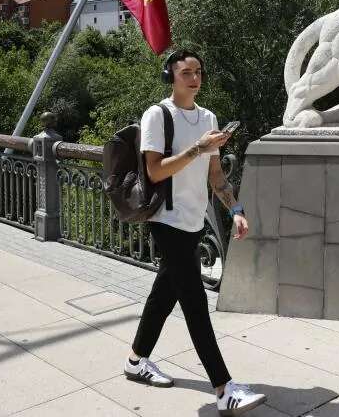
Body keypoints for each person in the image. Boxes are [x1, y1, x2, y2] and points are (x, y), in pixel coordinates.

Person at [123, 49, 267, 416]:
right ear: (170, 76)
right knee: (195, 303)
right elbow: (155, 171)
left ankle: (136, 361)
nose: (194, 78)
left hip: (194, 220)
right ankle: (224, 389)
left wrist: (235, 209)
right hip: (166, 220)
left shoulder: (208, 117)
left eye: (198, 72)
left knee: (163, 295)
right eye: (186, 72)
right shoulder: (158, 115)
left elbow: (215, 174)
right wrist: (197, 148)